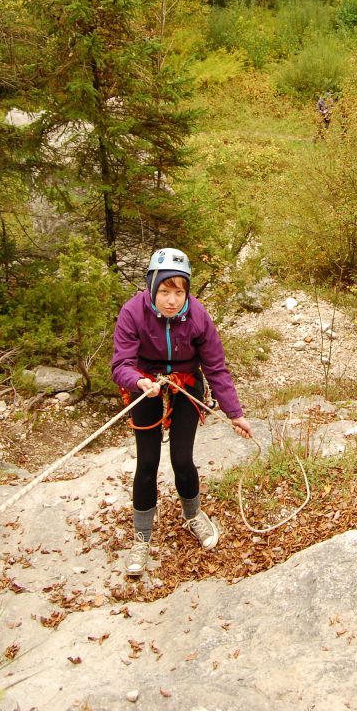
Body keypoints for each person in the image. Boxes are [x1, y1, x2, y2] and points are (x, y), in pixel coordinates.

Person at [111, 247, 252, 577]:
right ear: (151, 287)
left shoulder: (198, 316)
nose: (171, 300)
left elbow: (215, 367)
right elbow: (121, 364)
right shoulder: (133, 312)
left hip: (186, 383)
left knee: (182, 459)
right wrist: (139, 381)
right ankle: (141, 537)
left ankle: (193, 515)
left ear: (187, 291)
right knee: (147, 463)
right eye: (164, 291)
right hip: (146, 384)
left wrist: (234, 413)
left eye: (178, 291)